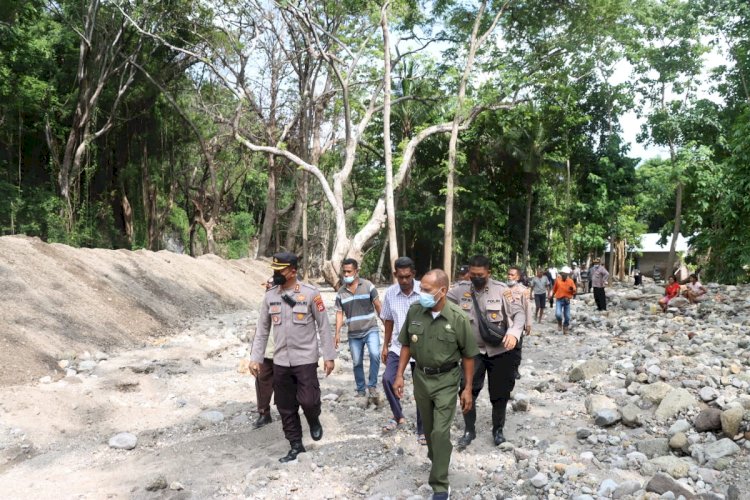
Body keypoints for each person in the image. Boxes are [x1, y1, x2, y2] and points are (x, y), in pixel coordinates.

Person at [393, 269, 478, 500]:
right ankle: (438, 459)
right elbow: (406, 346)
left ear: (442, 291)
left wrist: (467, 388)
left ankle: (440, 485)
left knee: (440, 431)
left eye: (427, 290)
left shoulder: (458, 318)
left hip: (447, 381)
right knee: (430, 433)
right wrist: (399, 375)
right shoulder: (415, 312)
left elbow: (469, 355)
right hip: (421, 378)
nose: (422, 294)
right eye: (422, 289)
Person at [249, 252, 336, 463]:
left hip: (305, 358)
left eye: (281, 270)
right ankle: (296, 445)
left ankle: (313, 419)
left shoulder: (310, 294)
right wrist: (255, 357)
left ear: (294, 271)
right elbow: (262, 329)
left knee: (308, 400)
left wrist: (329, 356)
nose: (276, 273)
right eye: (274, 270)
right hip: (280, 361)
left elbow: (324, 327)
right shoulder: (270, 296)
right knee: (285, 406)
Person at [446, 255, 526, 450]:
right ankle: (469, 430)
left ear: (488, 273)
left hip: (500, 351)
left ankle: (498, 430)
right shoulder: (460, 291)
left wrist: (514, 333)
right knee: (467, 389)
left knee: (500, 393)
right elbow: (440, 302)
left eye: (480, 275)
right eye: (472, 274)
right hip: (472, 352)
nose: (476, 278)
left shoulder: (502, 290)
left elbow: (519, 314)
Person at [380, 257, 424, 442]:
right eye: (400, 277)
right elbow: (388, 319)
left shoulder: (425, 290)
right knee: (387, 379)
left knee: (421, 388)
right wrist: (385, 344)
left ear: (413, 274)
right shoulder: (390, 293)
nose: (404, 281)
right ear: (395, 275)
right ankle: (398, 416)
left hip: (421, 347)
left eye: (407, 276)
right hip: (398, 346)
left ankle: (423, 429)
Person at [335, 258, 382, 403]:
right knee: (356, 362)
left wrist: (386, 323)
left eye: (349, 271)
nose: (346, 274)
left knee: (375, 355)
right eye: (344, 271)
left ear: (356, 271)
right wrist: (336, 333)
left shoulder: (368, 286)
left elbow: (378, 306)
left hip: (371, 329)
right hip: (353, 334)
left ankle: (372, 386)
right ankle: (361, 389)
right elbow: (339, 314)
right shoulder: (341, 292)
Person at [252, 277, 276, 429]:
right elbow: (260, 330)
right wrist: (254, 354)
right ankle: (264, 414)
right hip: (265, 351)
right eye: (266, 284)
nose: (267, 286)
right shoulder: (265, 302)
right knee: (262, 381)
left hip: (284, 352)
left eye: (270, 284)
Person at [551, 265, 576, 334]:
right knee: (558, 314)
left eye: (565, 274)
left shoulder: (570, 281)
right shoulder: (558, 280)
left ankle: (565, 327)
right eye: (563, 274)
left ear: (567, 274)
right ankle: (559, 322)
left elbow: (574, 290)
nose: (564, 275)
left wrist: (572, 289)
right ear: (561, 273)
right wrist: (551, 296)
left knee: (567, 316)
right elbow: (554, 289)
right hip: (559, 299)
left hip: (567, 300)